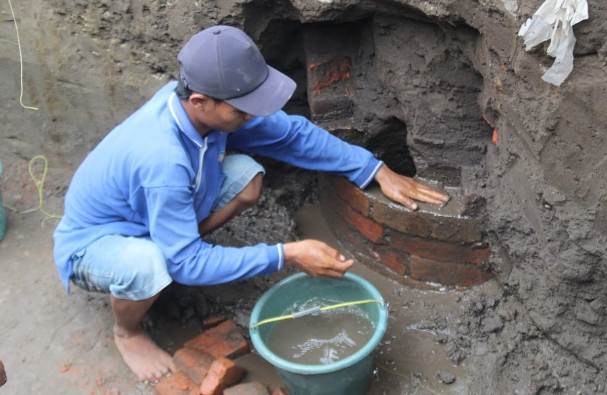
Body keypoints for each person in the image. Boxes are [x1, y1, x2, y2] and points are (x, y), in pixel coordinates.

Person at [52, 25, 449, 382]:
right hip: (95, 244)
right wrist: (287, 254)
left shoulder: (204, 112)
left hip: (154, 208)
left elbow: (292, 136)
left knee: (246, 177)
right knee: (154, 264)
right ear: (200, 100)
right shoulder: (163, 158)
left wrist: (374, 170)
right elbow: (185, 264)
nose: (251, 115)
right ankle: (128, 331)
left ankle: (176, 244)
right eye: (242, 109)